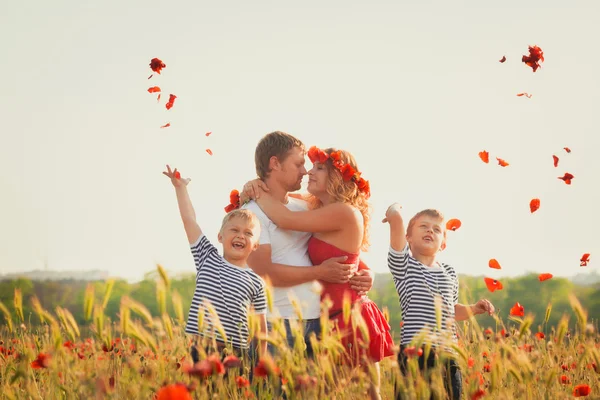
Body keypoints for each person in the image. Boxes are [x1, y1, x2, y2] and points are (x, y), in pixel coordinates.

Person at [245, 145, 394, 400]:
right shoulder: (319, 208)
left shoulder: (343, 212)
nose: (309, 173)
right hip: (330, 318)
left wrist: (254, 194)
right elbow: (286, 201)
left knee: (321, 395)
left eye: (319, 168)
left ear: (337, 177)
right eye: (310, 166)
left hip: (348, 318)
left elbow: (286, 219)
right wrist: (254, 183)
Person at [240, 131, 375, 360]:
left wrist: (365, 270)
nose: (307, 171)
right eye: (300, 164)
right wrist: (253, 189)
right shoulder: (257, 212)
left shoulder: (321, 209)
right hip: (285, 321)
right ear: (275, 163)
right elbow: (265, 273)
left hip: (331, 319)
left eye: (315, 167)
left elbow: (291, 222)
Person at [383, 203, 495, 400]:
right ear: (408, 237)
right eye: (423, 226)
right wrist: (396, 215)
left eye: (437, 230)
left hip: (448, 355)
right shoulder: (404, 266)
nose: (430, 231)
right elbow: (397, 231)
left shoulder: (449, 273)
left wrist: (474, 309)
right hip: (414, 354)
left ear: (443, 243)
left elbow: (452, 311)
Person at [162, 164, 268, 365]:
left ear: (255, 245)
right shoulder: (207, 258)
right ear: (220, 236)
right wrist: (180, 188)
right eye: (234, 230)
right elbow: (189, 221)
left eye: (248, 233)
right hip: (199, 350)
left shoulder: (256, 281)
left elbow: (260, 328)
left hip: (234, 355)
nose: (240, 236)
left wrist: (260, 364)